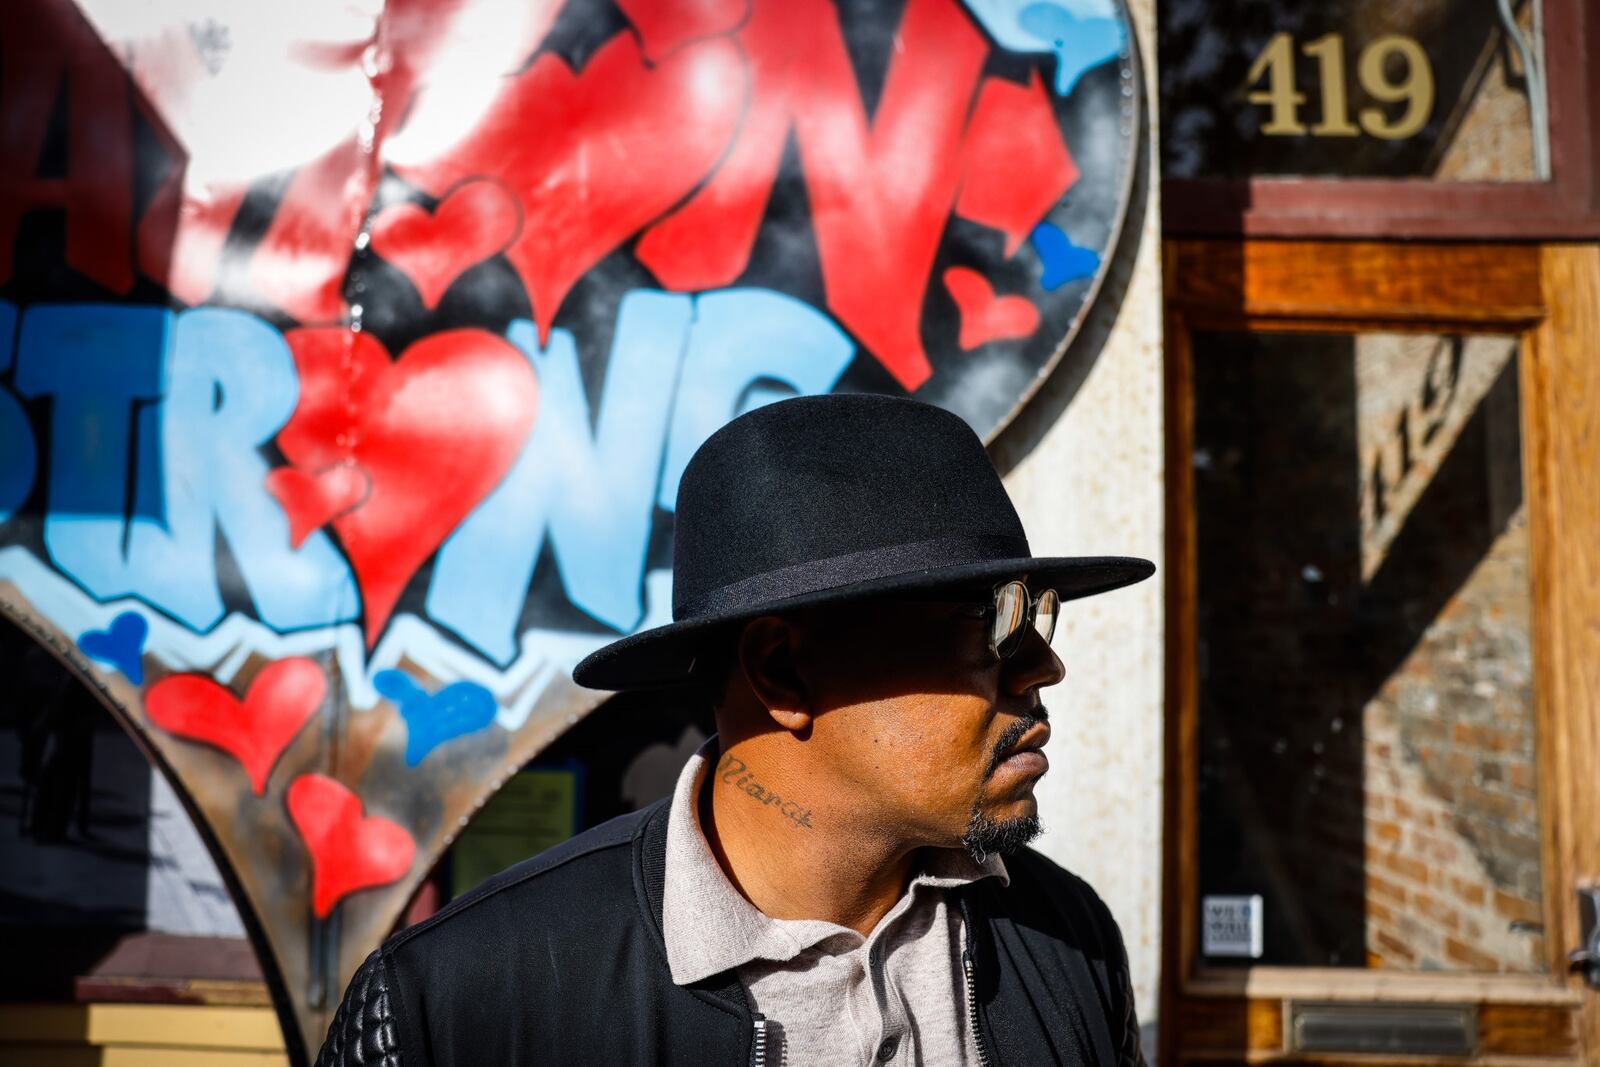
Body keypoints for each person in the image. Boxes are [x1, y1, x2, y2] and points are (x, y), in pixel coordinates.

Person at [316, 393, 1154, 1065]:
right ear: (784, 673)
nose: (1043, 666)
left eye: (1038, 614)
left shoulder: (1068, 941)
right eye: (994, 618)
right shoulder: (460, 1002)